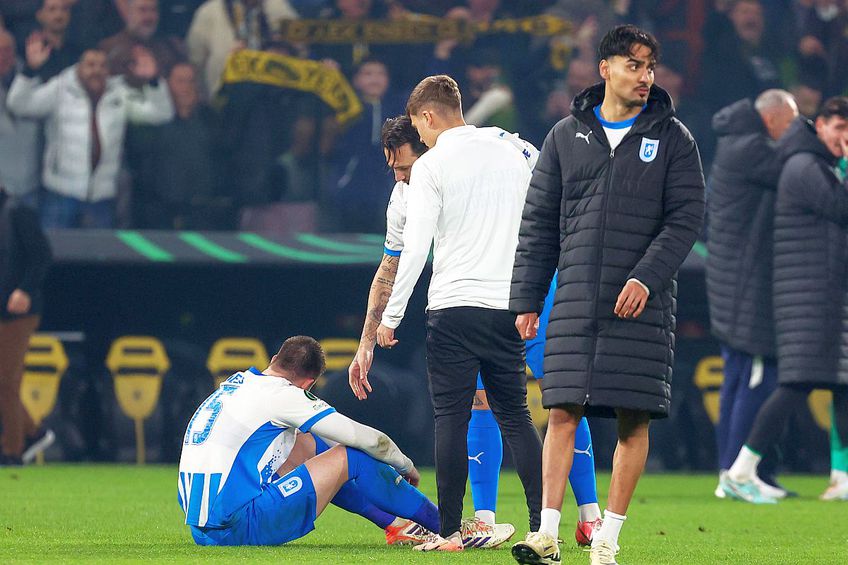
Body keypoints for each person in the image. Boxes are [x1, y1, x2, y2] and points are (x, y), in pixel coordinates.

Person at [349, 114, 603, 547]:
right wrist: (365, 341)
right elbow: (389, 267)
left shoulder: (502, 150)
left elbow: (557, 199)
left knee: (560, 400)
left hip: (537, 289)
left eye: (404, 166)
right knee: (483, 402)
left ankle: (588, 515)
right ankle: (484, 517)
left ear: (429, 142)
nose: (400, 177)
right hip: (482, 305)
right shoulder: (404, 197)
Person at [509, 24, 705, 565]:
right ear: (605, 69)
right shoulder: (564, 135)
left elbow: (686, 218)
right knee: (563, 411)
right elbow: (539, 224)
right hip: (573, 297)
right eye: (634, 65)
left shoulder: (673, 138)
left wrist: (646, 276)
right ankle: (546, 532)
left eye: (650, 67)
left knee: (633, 419)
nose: (644, 76)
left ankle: (607, 541)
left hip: (644, 302)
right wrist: (527, 299)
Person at [373, 75, 544, 552]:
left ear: (427, 117)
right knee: (516, 416)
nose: (420, 140)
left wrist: (391, 317)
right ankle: (540, 525)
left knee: (451, 417)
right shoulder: (510, 151)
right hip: (506, 305)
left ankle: (449, 532)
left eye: (418, 129)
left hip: (452, 308)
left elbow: (416, 247)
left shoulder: (433, 164)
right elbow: (540, 220)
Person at [178, 335, 448, 547]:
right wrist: (405, 465)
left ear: (274, 360)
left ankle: (394, 525)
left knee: (305, 442)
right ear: (308, 383)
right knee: (350, 456)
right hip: (237, 526)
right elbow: (369, 440)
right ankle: (445, 525)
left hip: (201, 531)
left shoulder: (236, 384)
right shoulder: (284, 395)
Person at [721, 96, 848, 504]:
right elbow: (841, 207)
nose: (844, 138)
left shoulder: (816, 164)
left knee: (842, 385)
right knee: (794, 385)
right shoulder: (803, 165)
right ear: (821, 125)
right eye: (839, 129)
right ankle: (740, 470)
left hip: (824, 291)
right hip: (807, 294)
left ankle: (842, 477)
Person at [706, 89, 798, 500]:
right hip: (750, 284)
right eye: (792, 122)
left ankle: (733, 470)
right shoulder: (753, 149)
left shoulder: (736, 143)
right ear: (774, 118)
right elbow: (798, 167)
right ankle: (739, 473)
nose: (794, 131)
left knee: (740, 377)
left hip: (734, 280)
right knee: (759, 378)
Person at [6, 47, 173, 228]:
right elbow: (19, 105)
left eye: (102, 66)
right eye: (90, 65)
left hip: (102, 197)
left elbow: (161, 114)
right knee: (55, 253)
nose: (96, 71)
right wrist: (29, 72)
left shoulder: (119, 94)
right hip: (60, 193)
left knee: (99, 254)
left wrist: (154, 80)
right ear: (78, 67)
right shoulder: (60, 89)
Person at [0, 187, 54, 466]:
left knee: (6, 381)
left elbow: (42, 255)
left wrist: (25, 289)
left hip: (18, 312)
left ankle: (12, 450)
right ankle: (33, 432)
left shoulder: (16, 211)